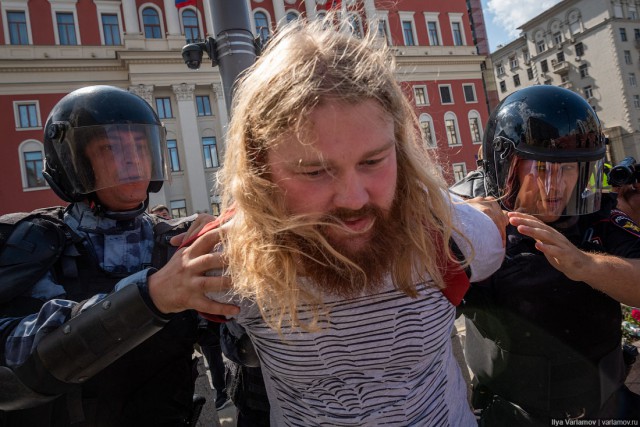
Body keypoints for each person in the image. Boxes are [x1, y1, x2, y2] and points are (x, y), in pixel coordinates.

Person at [185, 18, 506, 426]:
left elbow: (491, 230)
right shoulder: (234, 259)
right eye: (315, 171)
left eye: (373, 161)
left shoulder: (448, 233)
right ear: (259, 171)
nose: (354, 199)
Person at [0, 85, 234, 426]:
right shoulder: (33, 241)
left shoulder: (173, 241)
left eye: (140, 145)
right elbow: (10, 376)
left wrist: (237, 257)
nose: (132, 159)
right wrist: (149, 295)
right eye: (110, 148)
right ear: (73, 161)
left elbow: (238, 349)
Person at [450, 85, 640, 424]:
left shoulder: (596, 211)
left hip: (604, 406)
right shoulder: (469, 216)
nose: (554, 189)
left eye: (566, 170)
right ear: (504, 165)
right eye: (540, 169)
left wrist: (584, 265)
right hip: (512, 414)